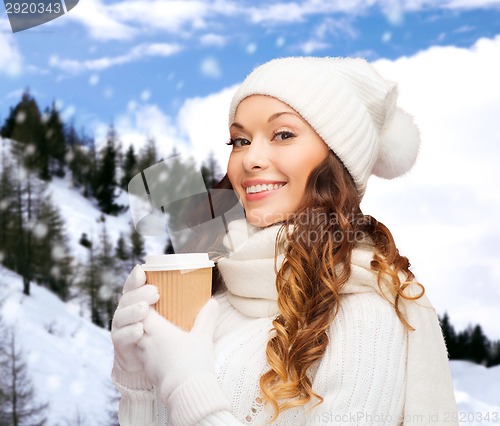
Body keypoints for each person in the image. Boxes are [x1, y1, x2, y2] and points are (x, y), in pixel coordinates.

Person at [111, 57, 458, 425]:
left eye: (283, 134)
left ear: (336, 160)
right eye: (240, 140)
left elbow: (188, 396)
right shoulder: (221, 291)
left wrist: (186, 384)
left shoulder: (364, 315)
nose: (251, 159)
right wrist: (137, 375)